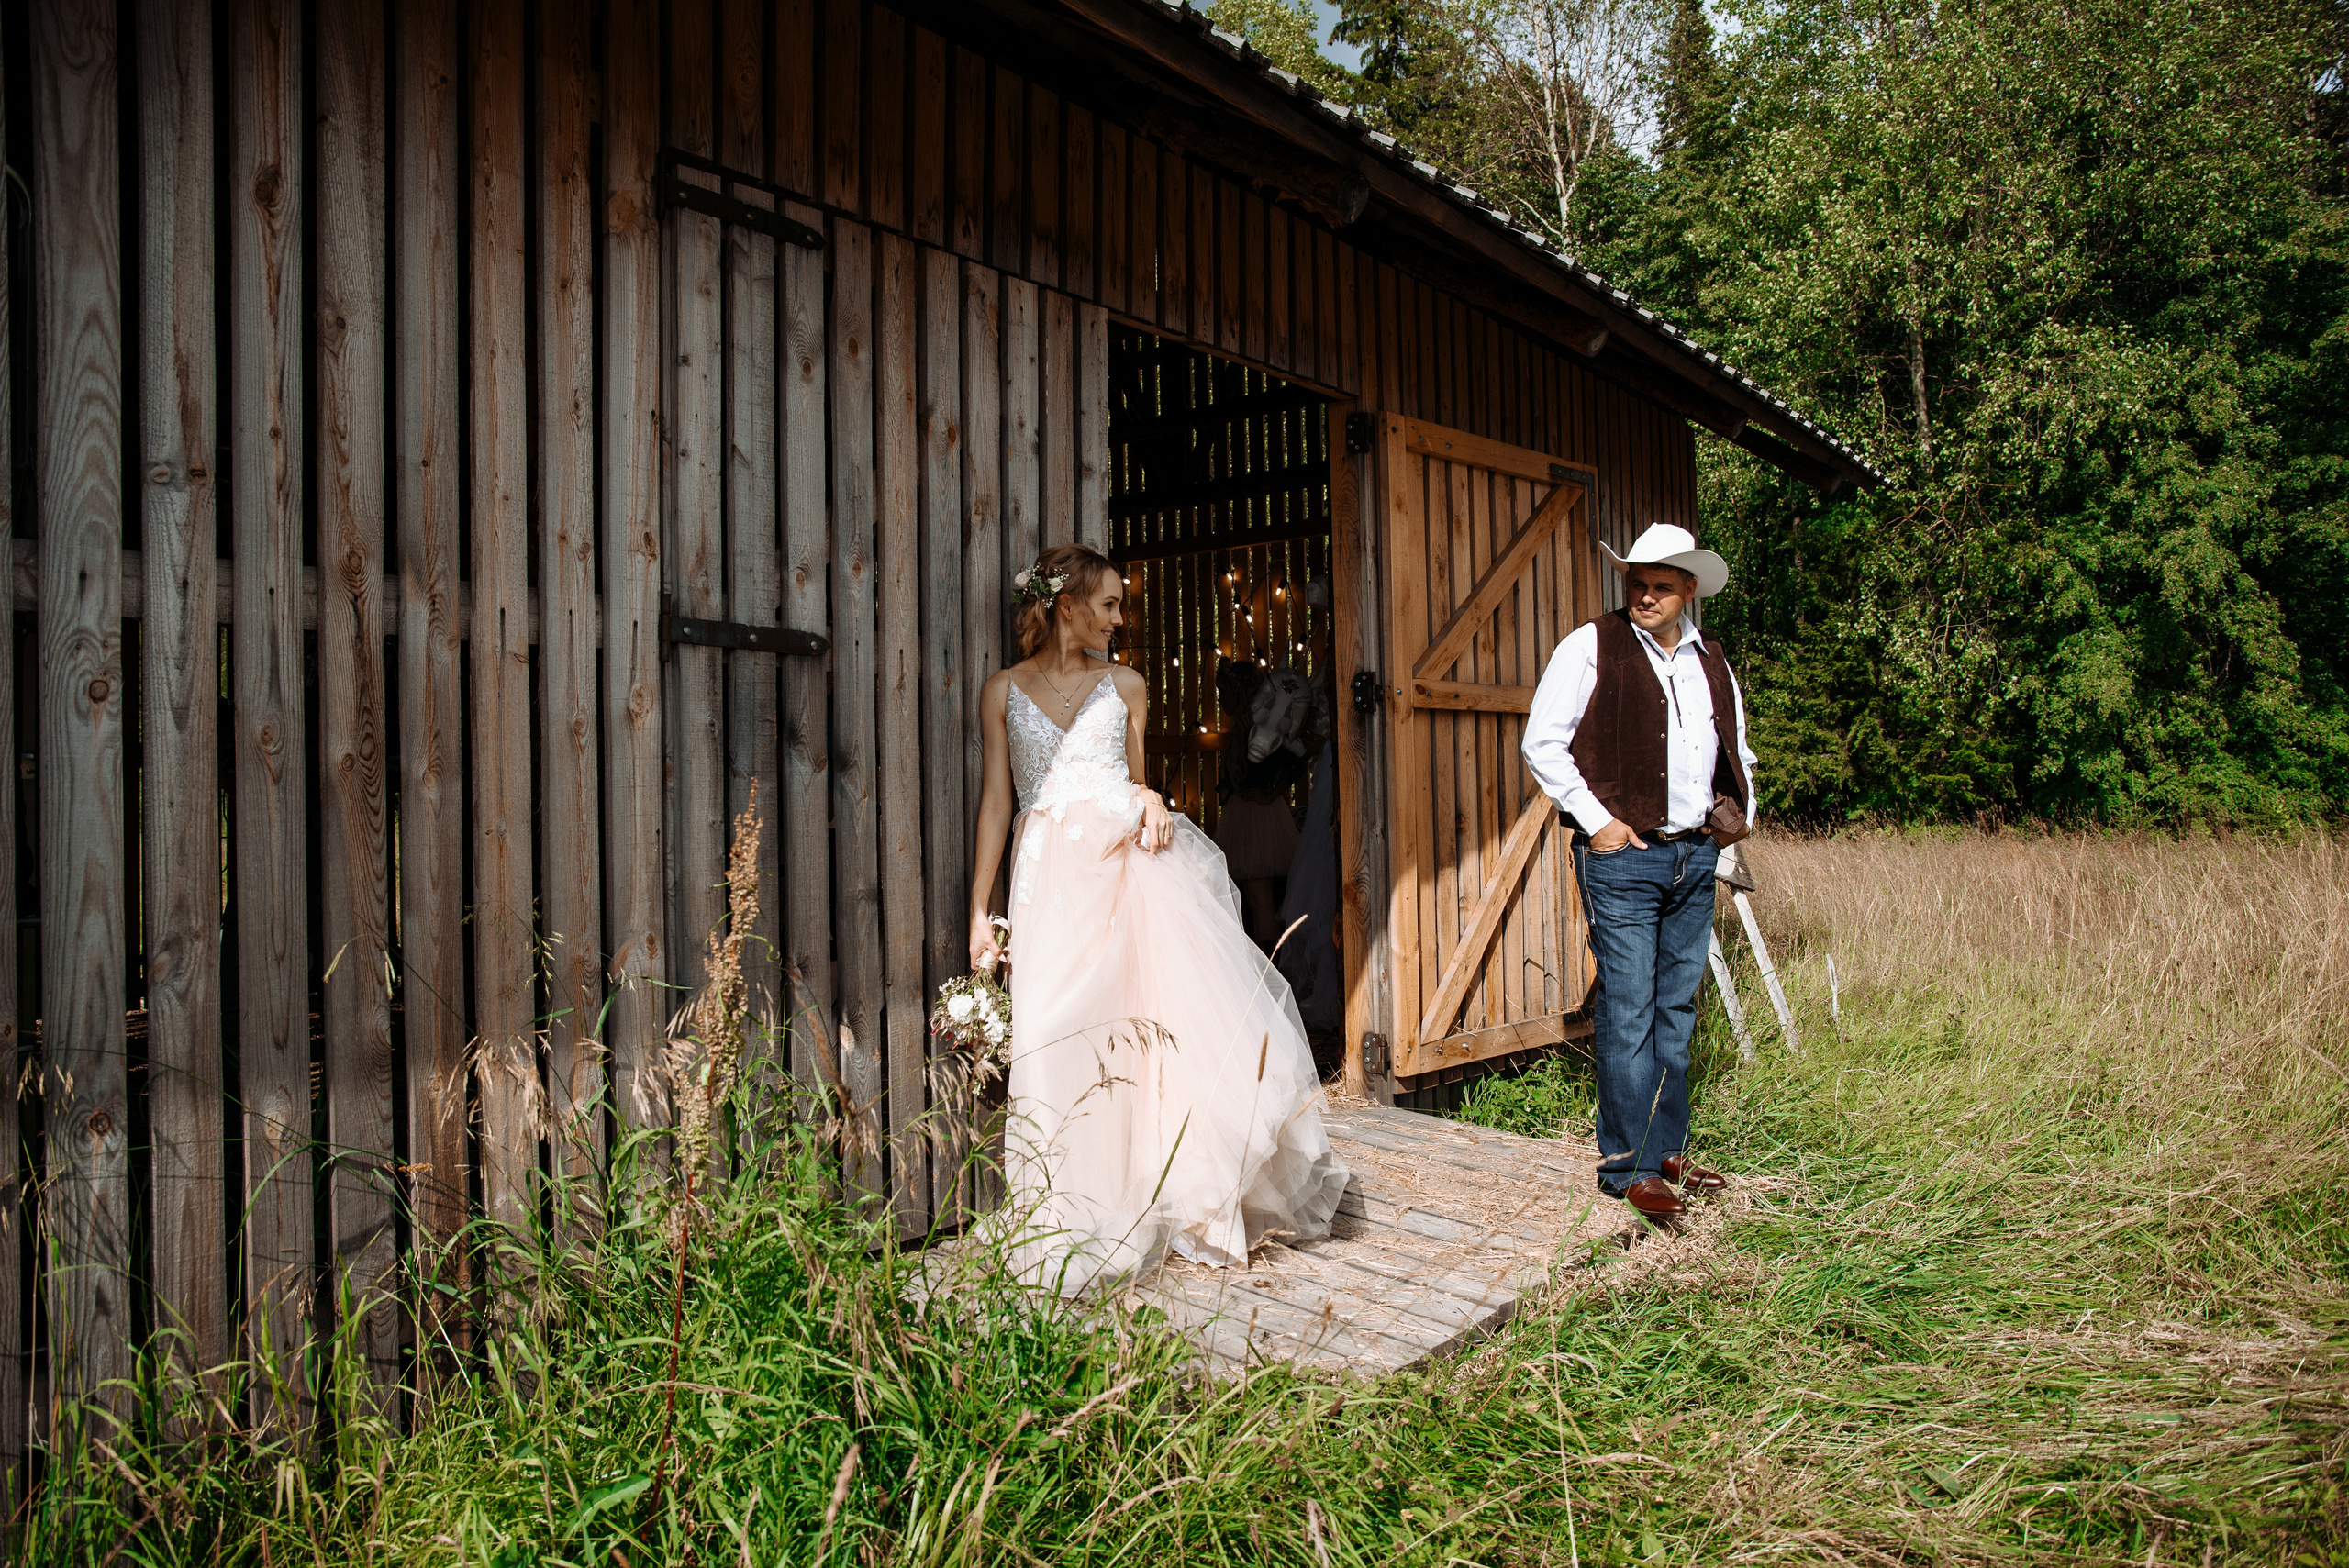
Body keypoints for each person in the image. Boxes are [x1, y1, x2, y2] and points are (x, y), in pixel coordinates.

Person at [966, 542, 1351, 1294]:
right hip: (1048, 878)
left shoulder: (1129, 686)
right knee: (1052, 1033)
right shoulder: (1001, 691)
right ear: (1065, 606)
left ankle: (1168, 1193)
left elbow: (1141, 784)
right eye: (1107, 603)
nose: (1119, 617)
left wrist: (1146, 799)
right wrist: (982, 909)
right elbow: (995, 803)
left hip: (1127, 875)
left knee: (1143, 1033)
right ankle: (1066, 1207)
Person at [1520, 523, 1756, 1220]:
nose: (1647, 595)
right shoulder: (1591, 645)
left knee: (1676, 1007)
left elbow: (1737, 745)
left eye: (1661, 584)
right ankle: (1631, 1165)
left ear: (1688, 590)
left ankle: (1668, 1148)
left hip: (1693, 854)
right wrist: (1600, 824)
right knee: (1629, 1009)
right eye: (1638, 583)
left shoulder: (1710, 657)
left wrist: (1737, 813)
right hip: (1626, 860)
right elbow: (1543, 742)